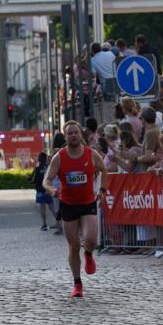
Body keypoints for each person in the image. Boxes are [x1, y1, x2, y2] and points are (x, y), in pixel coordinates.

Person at [43, 120, 108, 298]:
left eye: (75, 132)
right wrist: (52, 189)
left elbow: (103, 169)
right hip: (68, 205)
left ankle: (88, 254)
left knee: (91, 240)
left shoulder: (91, 154)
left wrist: (102, 189)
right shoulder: (60, 157)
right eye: (69, 133)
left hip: (87, 203)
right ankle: (77, 284)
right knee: (73, 246)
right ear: (65, 137)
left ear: (81, 135)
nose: (73, 135)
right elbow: (46, 180)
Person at [29, 151, 57, 230]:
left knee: (42, 208)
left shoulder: (37, 169)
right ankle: (58, 223)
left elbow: (34, 180)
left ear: (39, 159)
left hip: (40, 191)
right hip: (48, 189)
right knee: (52, 207)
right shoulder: (49, 168)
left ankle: (44, 224)